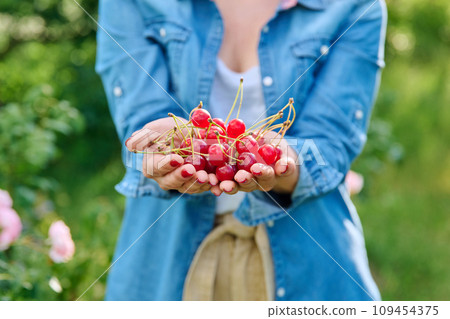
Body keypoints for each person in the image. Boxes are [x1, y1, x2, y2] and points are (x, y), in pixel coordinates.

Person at [95, 0, 386, 300]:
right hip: (164, 258)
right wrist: (161, 148)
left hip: (310, 261)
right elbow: (142, 119)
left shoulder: (353, 5)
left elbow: (330, 141)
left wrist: (287, 164)